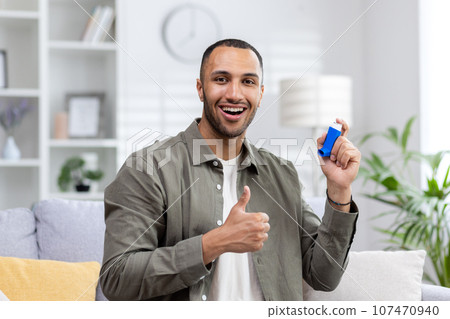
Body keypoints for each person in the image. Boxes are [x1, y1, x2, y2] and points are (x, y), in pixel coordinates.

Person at [100, 39, 361, 301]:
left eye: (248, 82)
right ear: (200, 89)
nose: (235, 94)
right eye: (221, 79)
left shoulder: (282, 174)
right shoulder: (149, 169)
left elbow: (324, 277)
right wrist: (214, 243)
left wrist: (339, 190)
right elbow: (116, 279)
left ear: (260, 93)